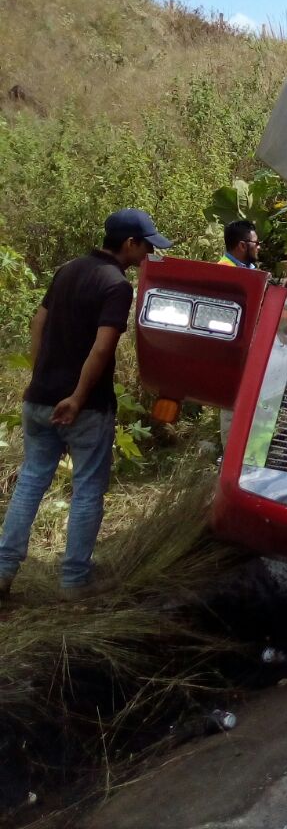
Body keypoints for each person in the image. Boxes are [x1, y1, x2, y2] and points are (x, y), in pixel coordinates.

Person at [0, 209, 173, 601]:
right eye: (146, 245)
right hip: (85, 407)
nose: (149, 253)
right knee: (87, 489)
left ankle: (3, 571)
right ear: (129, 244)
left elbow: (37, 324)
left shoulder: (67, 270)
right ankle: (75, 581)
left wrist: (40, 376)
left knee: (30, 482)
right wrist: (77, 397)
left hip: (39, 399)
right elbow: (103, 345)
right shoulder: (116, 285)